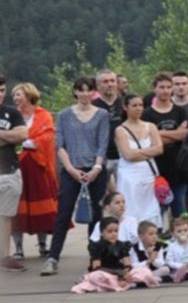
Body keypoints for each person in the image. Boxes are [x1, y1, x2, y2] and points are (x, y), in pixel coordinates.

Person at [42, 77, 109, 276]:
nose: (85, 94)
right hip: (72, 170)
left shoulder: (102, 114)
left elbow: (103, 143)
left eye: (89, 90)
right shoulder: (64, 115)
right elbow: (59, 144)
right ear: (75, 92)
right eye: (81, 90)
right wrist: (70, 168)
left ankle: (95, 257)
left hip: (94, 170)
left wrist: (96, 168)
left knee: (95, 216)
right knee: (63, 214)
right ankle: (53, 257)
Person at [11, 83, 55, 262]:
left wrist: (26, 141)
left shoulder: (43, 115)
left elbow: (47, 136)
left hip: (38, 167)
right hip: (16, 165)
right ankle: (18, 247)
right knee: (15, 206)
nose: (15, 98)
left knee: (41, 206)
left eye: (18, 95)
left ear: (29, 95)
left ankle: (43, 245)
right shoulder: (12, 115)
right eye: (14, 95)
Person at [142, 73, 188, 221]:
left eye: (169, 87)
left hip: (178, 167)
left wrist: (160, 134)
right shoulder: (147, 114)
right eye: (162, 87)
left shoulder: (180, 111)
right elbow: (148, 140)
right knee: (157, 211)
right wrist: (173, 134)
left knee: (180, 211)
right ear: (154, 89)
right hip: (157, 169)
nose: (166, 90)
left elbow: (184, 135)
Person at [113, 94, 165, 229]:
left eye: (141, 105)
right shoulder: (120, 130)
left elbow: (159, 149)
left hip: (148, 174)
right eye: (134, 105)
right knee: (131, 209)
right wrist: (149, 151)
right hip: (129, 176)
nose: (138, 108)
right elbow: (128, 155)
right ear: (126, 107)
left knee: (150, 209)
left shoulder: (151, 127)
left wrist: (139, 153)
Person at [69, 216, 156, 294]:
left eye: (116, 231)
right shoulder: (96, 246)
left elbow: (127, 265)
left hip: (120, 274)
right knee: (97, 276)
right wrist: (118, 273)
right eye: (110, 231)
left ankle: (120, 283)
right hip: (106, 273)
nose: (114, 234)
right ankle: (114, 284)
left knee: (144, 271)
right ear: (102, 233)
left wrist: (124, 275)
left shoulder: (122, 245)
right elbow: (96, 268)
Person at [0, 76, 28, 272]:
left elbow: (22, 135)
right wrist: (7, 137)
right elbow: (13, 136)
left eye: (2, 90)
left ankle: (4, 255)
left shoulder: (12, 113)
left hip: (8, 171)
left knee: (5, 216)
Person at [91, 69, 125, 191]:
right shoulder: (93, 106)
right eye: (105, 81)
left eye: (112, 81)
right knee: (101, 195)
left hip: (123, 156)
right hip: (101, 157)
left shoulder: (125, 103)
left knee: (123, 194)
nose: (110, 84)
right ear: (98, 85)